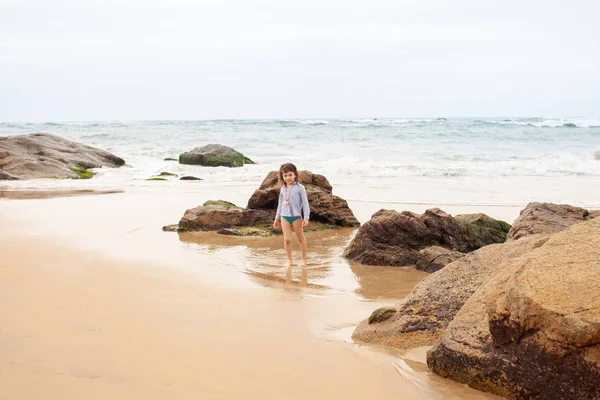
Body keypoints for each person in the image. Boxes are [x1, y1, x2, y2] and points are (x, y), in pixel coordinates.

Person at [273, 163, 310, 267]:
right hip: (284, 217)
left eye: (290, 175)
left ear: (295, 175)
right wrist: (277, 218)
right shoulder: (283, 188)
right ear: (282, 177)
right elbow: (280, 204)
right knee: (287, 240)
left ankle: (304, 259)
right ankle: (289, 260)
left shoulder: (300, 188)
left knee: (300, 238)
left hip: (296, 217)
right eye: (285, 176)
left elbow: (305, 203)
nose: (288, 178)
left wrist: (306, 217)